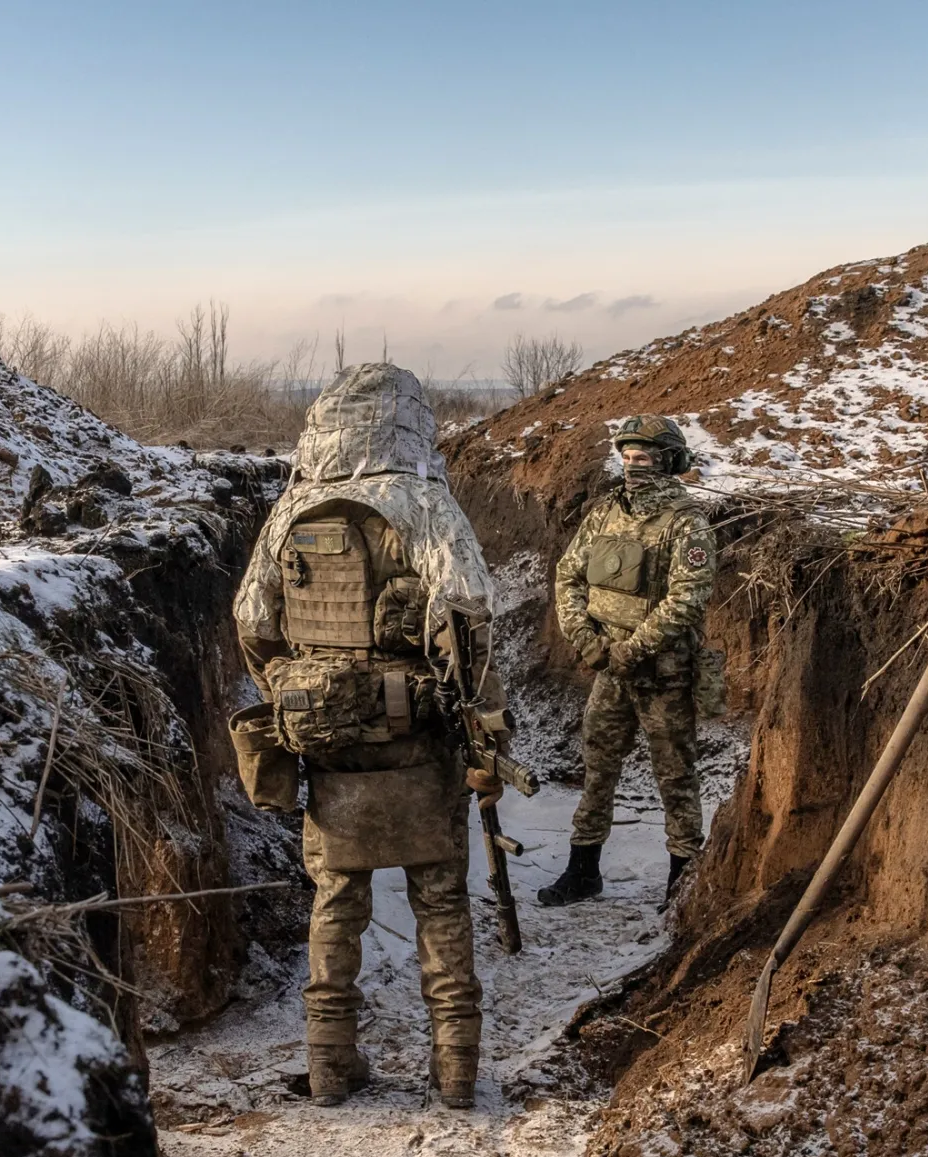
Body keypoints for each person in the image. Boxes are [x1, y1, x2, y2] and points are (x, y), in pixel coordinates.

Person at [231, 363, 506, 1109]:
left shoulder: (292, 510)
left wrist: (300, 694)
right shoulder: (427, 504)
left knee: (335, 902)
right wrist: (485, 740)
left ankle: (329, 1066)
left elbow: (253, 624)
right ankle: (455, 1071)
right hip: (418, 743)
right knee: (441, 902)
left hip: (328, 746)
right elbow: (468, 626)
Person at [539, 414, 714, 906]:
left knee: (676, 777)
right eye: (627, 457)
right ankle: (583, 871)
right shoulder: (605, 513)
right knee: (597, 768)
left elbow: (687, 599)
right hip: (610, 670)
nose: (633, 466)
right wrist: (584, 638)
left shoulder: (687, 521)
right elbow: (568, 576)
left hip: (664, 674)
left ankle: (683, 883)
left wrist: (631, 650)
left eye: (644, 458)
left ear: (669, 462)